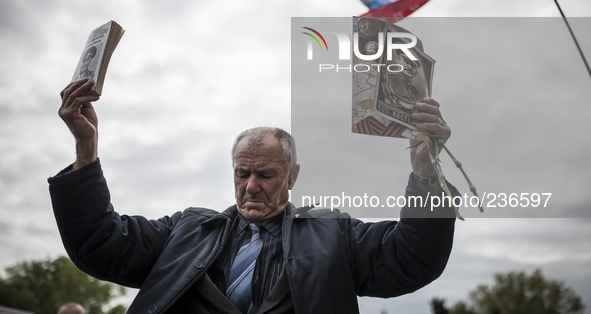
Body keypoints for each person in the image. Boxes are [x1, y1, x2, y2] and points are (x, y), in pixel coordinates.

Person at [49, 78, 457, 314]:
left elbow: (411, 259)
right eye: (242, 173)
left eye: (265, 173)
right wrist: (87, 148)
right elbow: (100, 244)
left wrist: (425, 175)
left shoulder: (335, 234)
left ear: (292, 176)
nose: (251, 185)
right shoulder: (186, 229)